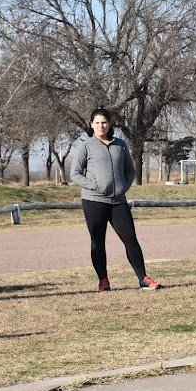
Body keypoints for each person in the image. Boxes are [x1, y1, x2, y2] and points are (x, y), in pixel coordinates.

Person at [70, 108, 162, 291]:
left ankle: (143, 278)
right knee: (98, 241)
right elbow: (75, 174)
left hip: (118, 201)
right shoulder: (86, 146)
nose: (101, 126)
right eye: (97, 123)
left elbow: (130, 170)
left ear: (109, 124)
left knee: (131, 239)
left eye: (104, 122)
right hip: (94, 201)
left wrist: (123, 186)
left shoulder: (120, 144)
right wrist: (95, 186)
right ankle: (103, 281)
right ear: (91, 125)